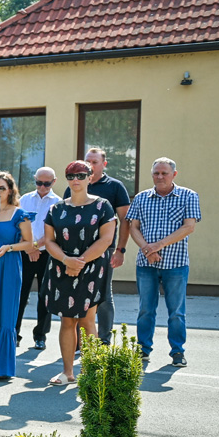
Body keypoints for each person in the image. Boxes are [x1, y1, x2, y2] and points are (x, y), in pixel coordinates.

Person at [44, 160, 117, 386]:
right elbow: (49, 240)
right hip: (62, 267)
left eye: (81, 175)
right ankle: (67, 373)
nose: (76, 180)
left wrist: (79, 262)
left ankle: (90, 372)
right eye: (71, 176)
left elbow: (106, 239)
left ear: (90, 177)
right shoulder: (56, 208)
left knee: (87, 320)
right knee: (67, 320)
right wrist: (67, 260)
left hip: (91, 268)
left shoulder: (103, 206)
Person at [127, 157, 201, 367]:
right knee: (145, 309)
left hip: (176, 264)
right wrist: (147, 249)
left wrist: (157, 246)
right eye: (156, 173)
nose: (160, 177)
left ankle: (177, 351)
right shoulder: (141, 197)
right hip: (146, 263)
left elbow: (189, 227)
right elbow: (133, 227)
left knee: (176, 311)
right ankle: (143, 350)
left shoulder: (188, 196)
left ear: (174, 174)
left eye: (164, 173)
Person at [63, 147, 130, 344]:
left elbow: (125, 220)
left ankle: (104, 341)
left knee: (103, 296)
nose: (90, 165)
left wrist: (120, 250)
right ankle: (80, 341)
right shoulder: (75, 185)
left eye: (95, 162)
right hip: (74, 252)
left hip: (104, 250)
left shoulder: (115, 187)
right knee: (76, 294)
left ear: (104, 164)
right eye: (88, 161)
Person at [0, 172, 32, 380]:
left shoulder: (19, 214)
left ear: (10, 190)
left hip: (8, 266)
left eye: (2, 188)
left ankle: (2, 367)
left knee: (5, 312)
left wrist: (9, 247)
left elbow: (29, 243)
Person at [16, 167, 61, 350]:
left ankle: (40, 336)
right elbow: (16, 225)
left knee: (45, 296)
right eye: (39, 183)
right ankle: (14, 333)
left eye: (46, 184)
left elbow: (56, 231)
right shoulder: (24, 199)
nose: (42, 187)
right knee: (20, 294)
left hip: (46, 253)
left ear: (54, 182)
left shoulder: (58, 203)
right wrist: (28, 248)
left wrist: (35, 246)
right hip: (24, 252)